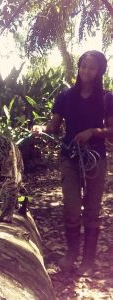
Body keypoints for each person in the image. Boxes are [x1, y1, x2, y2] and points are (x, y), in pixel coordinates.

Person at [32, 50, 113, 276]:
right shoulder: (65, 97)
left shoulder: (107, 98)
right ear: (78, 67)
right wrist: (42, 129)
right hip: (70, 157)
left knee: (93, 210)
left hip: (95, 158)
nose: (87, 71)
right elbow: (54, 126)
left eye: (92, 67)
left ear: (100, 71)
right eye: (83, 66)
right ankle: (71, 254)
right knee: (71, 208)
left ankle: (88, 261)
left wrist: (93, 131)